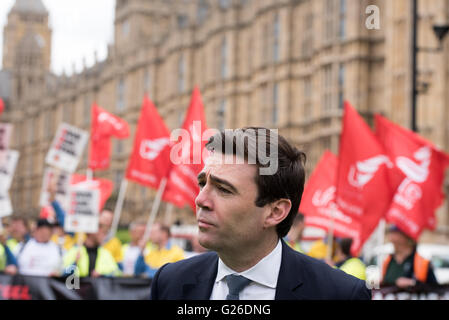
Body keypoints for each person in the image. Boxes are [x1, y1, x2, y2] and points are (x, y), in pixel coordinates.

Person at [150, 127, 371, 300]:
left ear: (275, 212)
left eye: (224, 189)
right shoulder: (170, 282)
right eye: (202, 183)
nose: (200, 200)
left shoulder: (339, 293)